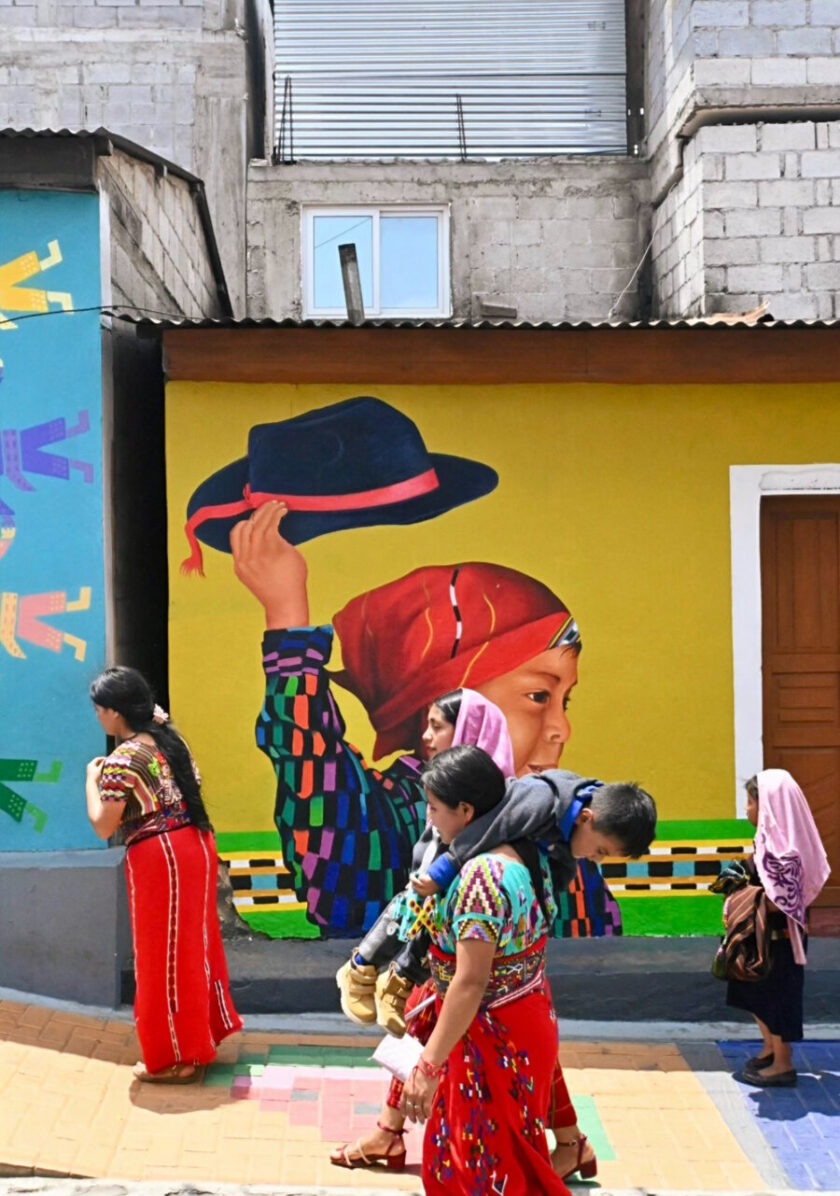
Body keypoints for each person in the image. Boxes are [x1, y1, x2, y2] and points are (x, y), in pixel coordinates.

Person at [231, 500, 620, 939]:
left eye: (564, 702)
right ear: (448, 702)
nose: (560, 730)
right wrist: (287, 618)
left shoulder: (550, 823)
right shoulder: (387, 819)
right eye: (538, 696)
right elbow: (310, 758)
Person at [399, 746, 573, 1196]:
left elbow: (471, 981)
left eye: (435, 809)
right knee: (502, 1154)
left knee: (478, 1164)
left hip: (490, 1032)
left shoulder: (481, 878)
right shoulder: (517, 848)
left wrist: (429, 1064)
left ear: (466, 810)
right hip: (518, 1021)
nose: (430, 818)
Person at [85, 666, 242, 1082]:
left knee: (163, 957)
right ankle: (200, 1036)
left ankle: (177, 1056)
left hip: (162, 856)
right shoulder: (170, 740)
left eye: (100, 710)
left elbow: (103, 824)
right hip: (194, 845)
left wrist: (91, 779)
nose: (98, 717)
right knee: (194, 945)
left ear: (115, 713)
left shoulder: (124, 758)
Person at [336, 687, 516, 1033]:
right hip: (447, 936)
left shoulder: (504, 794)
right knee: (422, 899)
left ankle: (393, 976)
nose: (426, 736)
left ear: (467, 732)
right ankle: (370, 971)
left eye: (437, 726)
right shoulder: (444, 785)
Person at [726, 769, 829, 1088]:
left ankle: (782, 1064)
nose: (746, 809)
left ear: (769, 805)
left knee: (776, 999)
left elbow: (781, 900)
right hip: (758, 939)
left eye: (751, 801)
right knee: (753, 992)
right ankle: (770, 1048)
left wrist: (743, 898)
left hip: (779, 942)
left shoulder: (786, 852)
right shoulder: (768, 842)